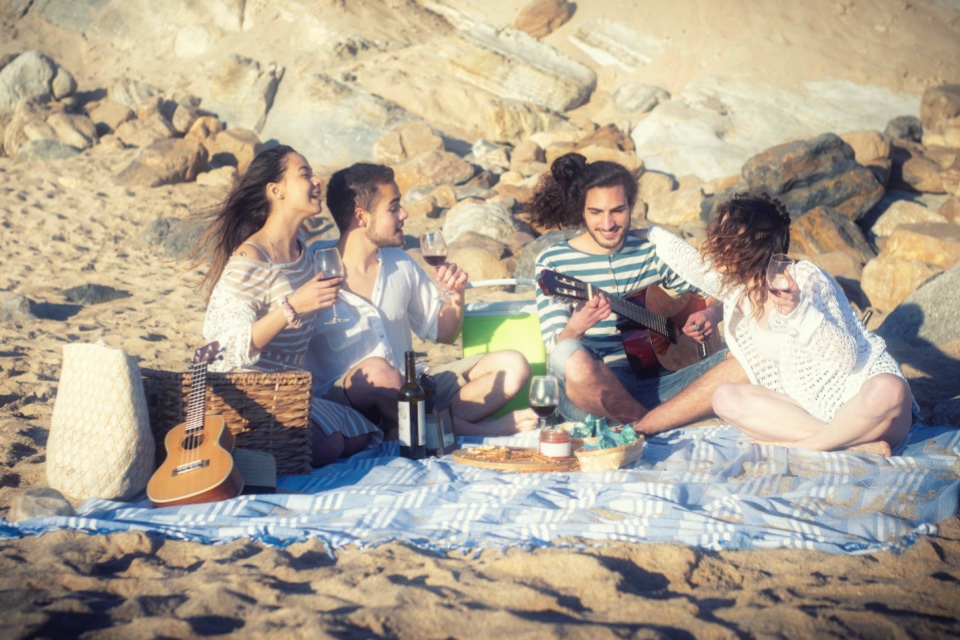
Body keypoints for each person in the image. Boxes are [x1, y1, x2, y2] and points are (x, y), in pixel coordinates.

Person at [648, 191, 916, 455]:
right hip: (813, 415)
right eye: (718, 232)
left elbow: (847, 357)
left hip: (868, 410)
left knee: (890, 388)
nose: (716, 241)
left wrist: (799, 312)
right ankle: (849, 445)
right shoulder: (738, 291)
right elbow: (692, 264)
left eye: (727, 235)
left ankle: (805, 446)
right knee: (724, 398)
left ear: (755, 246)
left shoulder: (804, 278)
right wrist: (647, 233)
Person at [305, 163, 537, 438]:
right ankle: (470, 430)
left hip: (411, 390)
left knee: (513, 365)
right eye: (393, 208)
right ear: (361, 216)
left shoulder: (400, 264)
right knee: (378, 371)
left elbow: (444, 333)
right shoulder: (311, 265)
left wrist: (455, 294)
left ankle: (407, 428)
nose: (404, 214)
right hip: (346, 403)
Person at [192, 144, 382, 467]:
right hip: (250, 393)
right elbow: (222, 347)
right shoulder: (251, 258)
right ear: (276, 190)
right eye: (305, 174)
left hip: (292, 391)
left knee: (363, 435)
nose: (317, 181)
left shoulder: (305, 255)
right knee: (329, 446)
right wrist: (291, 307)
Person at [531, 152, 748, 432]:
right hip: (594, 397)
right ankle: (652, 423)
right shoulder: (554, 263)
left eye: (617, 210)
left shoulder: (651, 250)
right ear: (581, 210)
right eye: (596, 212)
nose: (607, 224)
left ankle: (644, 424)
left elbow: (716, 290)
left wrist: (709, 312)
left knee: (747, 357)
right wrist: (577, 326)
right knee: (568, 354)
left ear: (632, 205)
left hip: (662, 386)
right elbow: (556, 349)